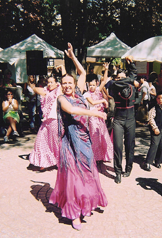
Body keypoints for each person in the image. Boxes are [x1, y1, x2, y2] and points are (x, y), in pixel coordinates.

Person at [49, 43, 107, 231]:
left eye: (69, 83)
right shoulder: (61, 99)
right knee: (73, 177)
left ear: (73, 84)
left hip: (84, 139)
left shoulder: (79, 92)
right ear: (61, 85)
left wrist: (73, 57)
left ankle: (88, 202)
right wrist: (96, 113)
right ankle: (74, 213)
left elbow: (82, 73)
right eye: (64, 83)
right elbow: (73, 110)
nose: (67, 86)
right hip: (70, 143)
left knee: (87, 173)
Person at [109, 56, 139, 184]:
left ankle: (128, 168)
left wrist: (131, 62)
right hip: (119, 120)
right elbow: (132, 77)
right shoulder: (114, 85)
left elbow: (134, 75)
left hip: (131, 119)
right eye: (120, 78)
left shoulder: (131, 84)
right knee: (118, 146)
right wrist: (130, 79)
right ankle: (118, 172)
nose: (122, 80)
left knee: (129, 145)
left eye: (124, 78)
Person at [28, 74, 62, 170]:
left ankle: (58, 161)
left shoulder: (59, 91)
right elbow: (35, 89)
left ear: (57, 83)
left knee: (55, 142)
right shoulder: (46, 91)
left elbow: (63, 79)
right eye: (48, 82)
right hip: (46, 121)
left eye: (52, 82)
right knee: (40, 140)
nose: (50, 84)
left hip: (55, 120)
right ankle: (43, 161)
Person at [83, 62, 113, 163]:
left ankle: (104, 155)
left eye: (93, 84)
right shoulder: (86, 94)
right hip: (92, 118)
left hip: (100, 117)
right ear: (87, 85)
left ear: (96, 83)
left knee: (103, 135)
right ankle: (95, 157)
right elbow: (92, 102)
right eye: (90, 85)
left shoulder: (97, 90)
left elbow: (104, 81)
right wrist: (103, 101)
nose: (92, 87)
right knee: (94, 137)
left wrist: (105, 69)